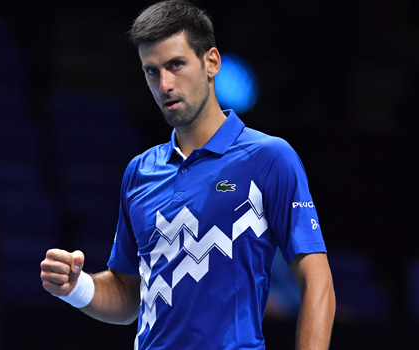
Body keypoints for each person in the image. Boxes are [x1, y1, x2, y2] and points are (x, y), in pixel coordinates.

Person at [40, 1, 335, 349]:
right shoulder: (139, 172)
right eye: (151, 71)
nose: (164, 84)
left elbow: (318, 283)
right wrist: (77, 287)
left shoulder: (269, 158)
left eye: (176, 65)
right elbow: (129, 296)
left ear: (211, 62)